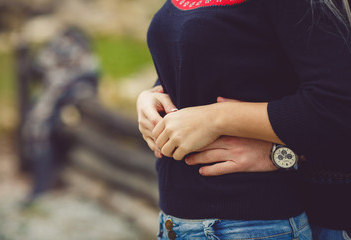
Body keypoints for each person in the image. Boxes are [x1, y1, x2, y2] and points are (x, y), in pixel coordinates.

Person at [137, 0, 351, 239]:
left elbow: (335, 104)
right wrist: (153, 96)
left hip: (249, 224)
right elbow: (216, 63)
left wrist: (219, 119)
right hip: (176, 221)